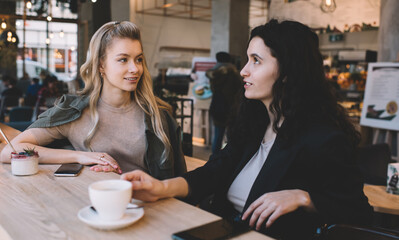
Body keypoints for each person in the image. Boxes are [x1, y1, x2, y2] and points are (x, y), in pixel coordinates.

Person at [121, 19, 373, 239]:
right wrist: (160, 187)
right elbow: (215, 172)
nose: (244, 70)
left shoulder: (323, 139)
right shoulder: (256, 123)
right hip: (217, 229)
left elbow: (358, 212)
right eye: (247, 59)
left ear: (287, 71)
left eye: (256, 61)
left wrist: (304, 198)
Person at [0, 21, 187, 179]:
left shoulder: (158, 115)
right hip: (96, 206)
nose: (135, 68)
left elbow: (179, 183)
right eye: (123, 59)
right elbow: (11, 151)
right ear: (101, 65)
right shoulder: (74, 112)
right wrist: (80, 156)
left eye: (138, 59)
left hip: (152, 210)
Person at [206, 52, 241, 154]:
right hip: (230, 107)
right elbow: (238, 90)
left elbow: (213, 89)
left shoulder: (214, 74)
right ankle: (229, 159)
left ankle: (214, 160)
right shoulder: (233, 73)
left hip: (216, 106)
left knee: (218, 135)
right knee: (231, 136)